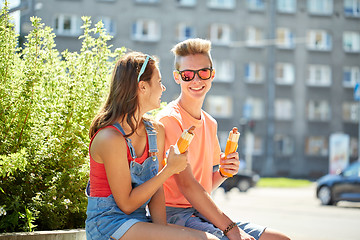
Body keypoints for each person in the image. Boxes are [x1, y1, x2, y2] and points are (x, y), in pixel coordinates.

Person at [157, 38, 291, 240]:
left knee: (279, 239)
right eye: (187, 75)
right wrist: (232, 229)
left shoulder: (210, 123)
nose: (196, 80)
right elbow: (187, 186)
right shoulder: (170, 119)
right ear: (177, 77)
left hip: (201, 211)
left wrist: (222, 172)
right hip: (174, 215)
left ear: (212, 74)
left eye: (203, 72)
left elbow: (203, 187)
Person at [85, 51, 219, 240]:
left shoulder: (155, 130)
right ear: (143, 87)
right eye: (158, 82)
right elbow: (127, 204)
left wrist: (163, 230)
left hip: (138, 223)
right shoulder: (110, 138)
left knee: (211, 238)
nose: (163, 88)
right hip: (109, 225)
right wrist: (169, 170)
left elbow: (156, 190)